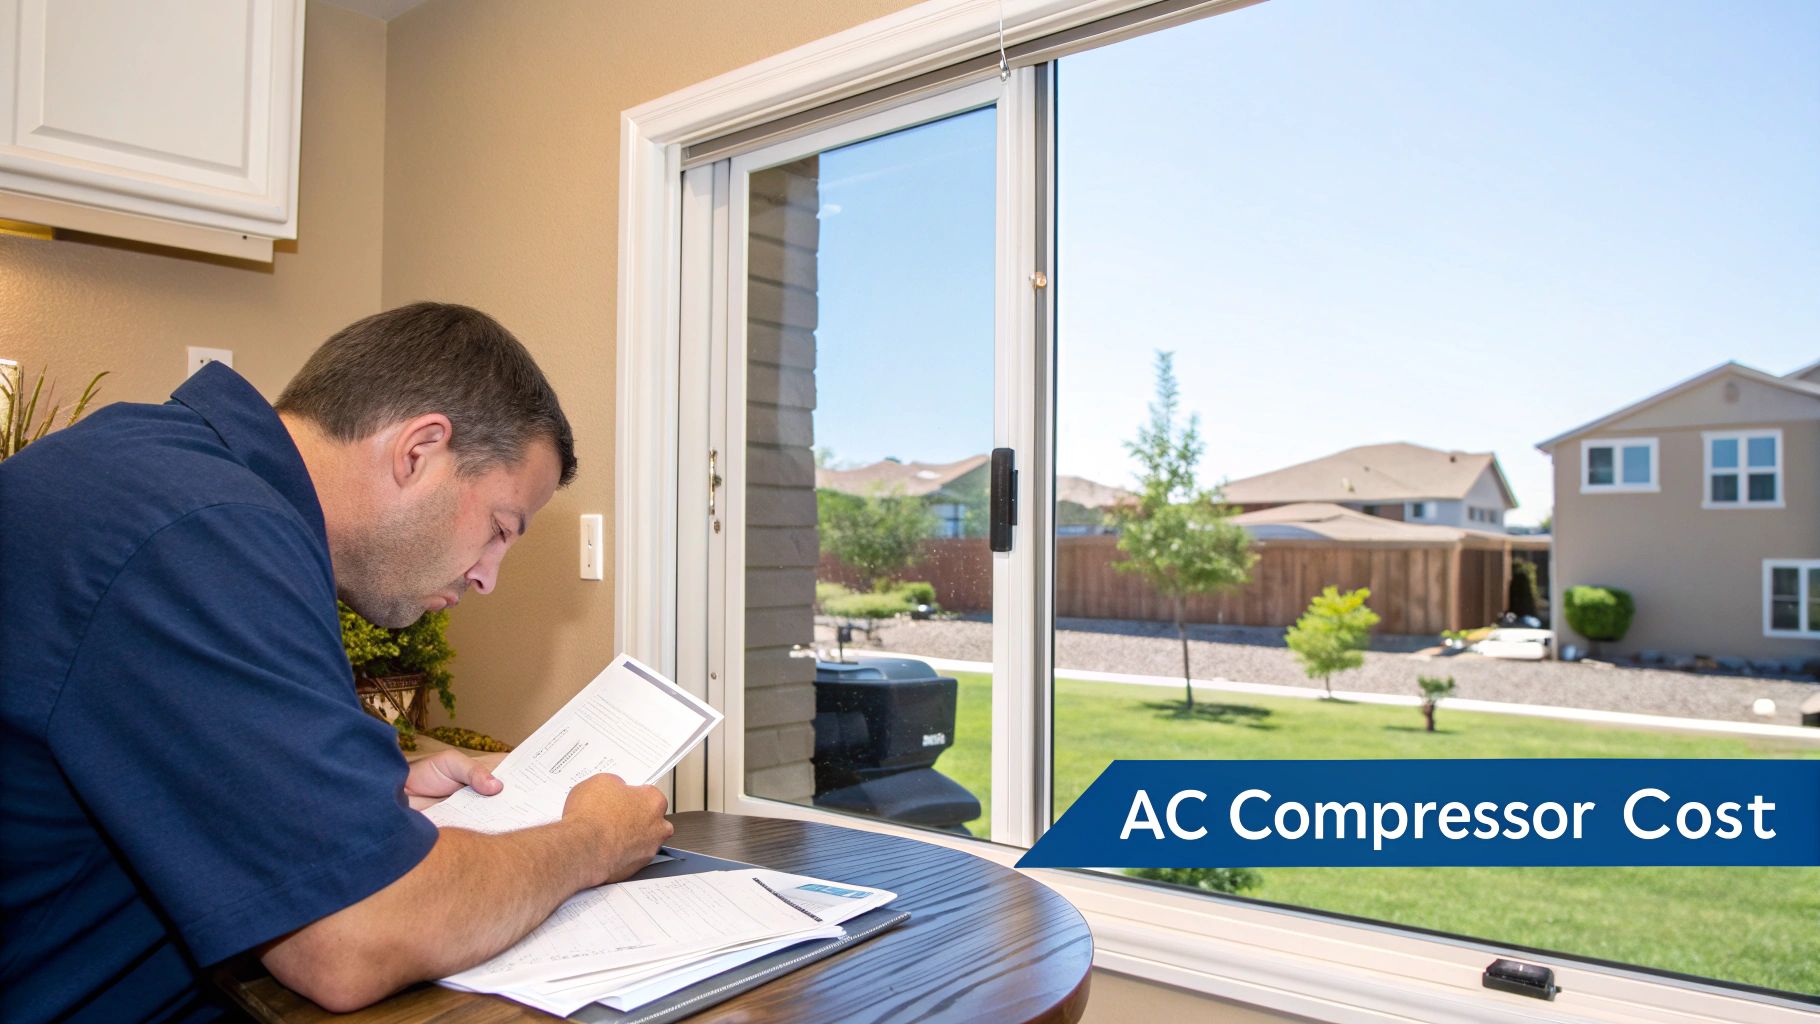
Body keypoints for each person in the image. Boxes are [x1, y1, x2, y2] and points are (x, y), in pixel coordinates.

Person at [0, 303, 673, 1022]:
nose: (488, 577)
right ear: (419, 451)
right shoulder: (206, 533)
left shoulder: (155, 468)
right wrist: (594, 841)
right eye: (499, 529)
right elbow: (355, 938)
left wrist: (355, 797)